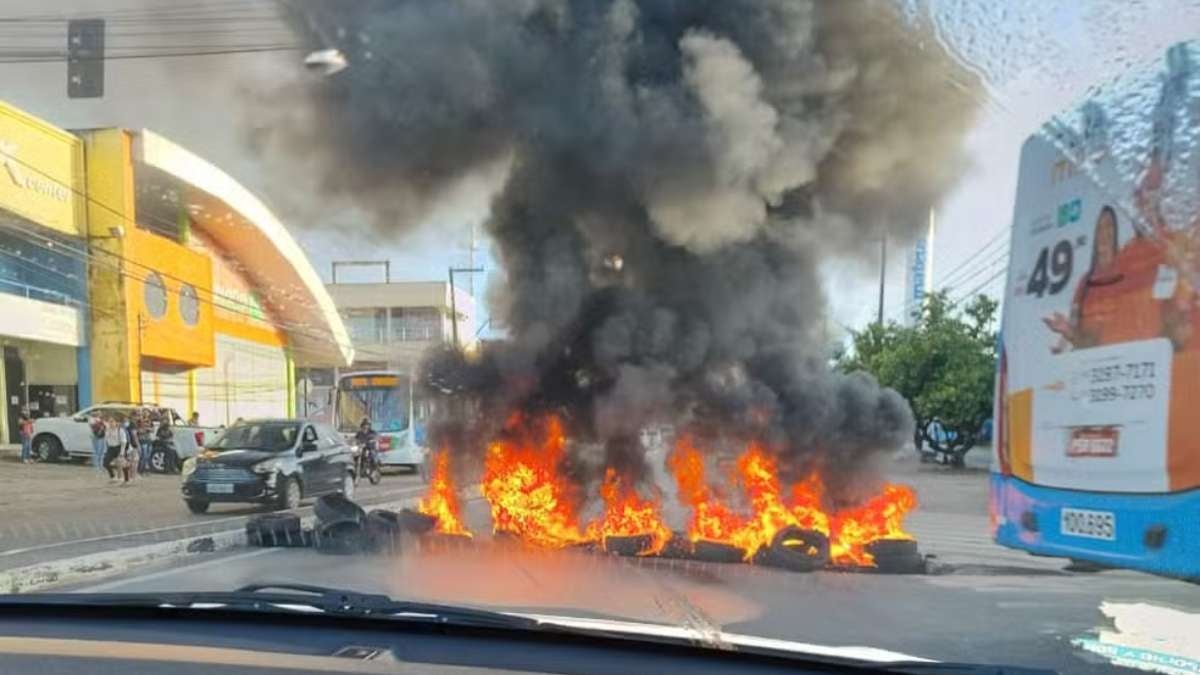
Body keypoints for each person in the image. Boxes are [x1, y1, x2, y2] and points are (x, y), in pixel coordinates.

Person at [103, 417, 126, 484]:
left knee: (119, 463)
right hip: (111, 447)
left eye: (112, 422)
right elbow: (106, 439)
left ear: (116, 422)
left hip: (118, 447)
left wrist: (122, 452)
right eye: (110, 422)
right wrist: (108, 431)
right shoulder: (107, 430)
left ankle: (120, 477)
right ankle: (113, 476)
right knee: (106, 462)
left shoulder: (120, 430)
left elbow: (123, 441)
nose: (111, 423)